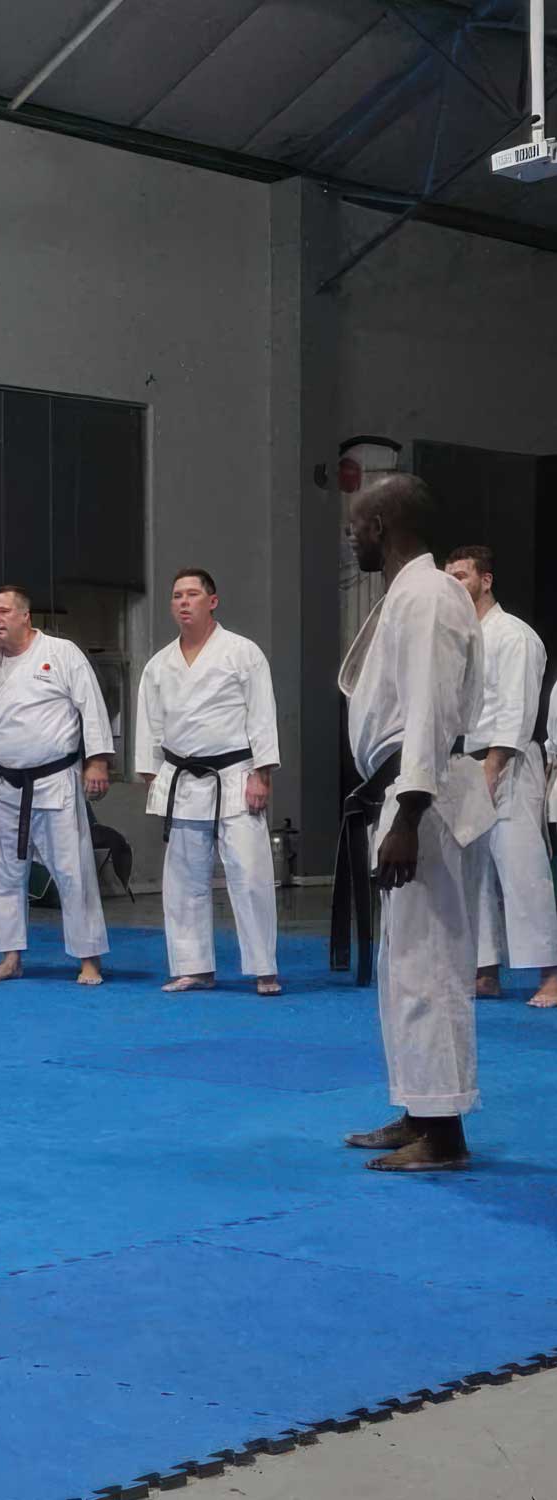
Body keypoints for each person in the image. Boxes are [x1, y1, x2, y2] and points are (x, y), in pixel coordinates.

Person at [337, 473, 492, 1171]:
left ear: (383, 527)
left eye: (357, 525)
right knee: (404, 967)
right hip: (403, 794)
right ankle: (419, 1110)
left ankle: (446, 1134)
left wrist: (409, 807)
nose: (352, 537)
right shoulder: (409, 595)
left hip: (419, 802)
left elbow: (428, 709)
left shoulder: (429, 596)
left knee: (430, 966)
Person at [0, 586, 113, 985]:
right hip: (2, 786)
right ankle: (10, 957)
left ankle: (88, 958)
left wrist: (96, 761)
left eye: (4, 611)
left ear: (26, 616)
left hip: (53, 780)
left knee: (73, 871)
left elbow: (91, 707)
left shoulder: (61, 654)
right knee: (0, 873)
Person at [135, 570, 281, 996]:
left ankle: (263, 967)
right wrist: (154, 775)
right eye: (177, 595)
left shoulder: (242, 652)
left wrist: (262, 773)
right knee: (183, 881)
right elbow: (149, 725)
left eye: (193, 594)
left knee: (250, 876)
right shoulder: (159, 664)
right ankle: (193, 967)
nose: (183, 602)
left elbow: (261, 715)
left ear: (212, 601)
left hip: (235, 776)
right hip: (181, 778)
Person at [444, 546, 557, 1009]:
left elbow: (517, 707)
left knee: (522, 867)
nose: (455, 584)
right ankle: (484, 969)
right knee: (471, 872)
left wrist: (493, 766)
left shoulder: (515, 636)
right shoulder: (459, 637)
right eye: (448, 577)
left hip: (508, 761)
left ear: (486, 580)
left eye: (462, 575)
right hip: (465, 761)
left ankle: (551, 972)